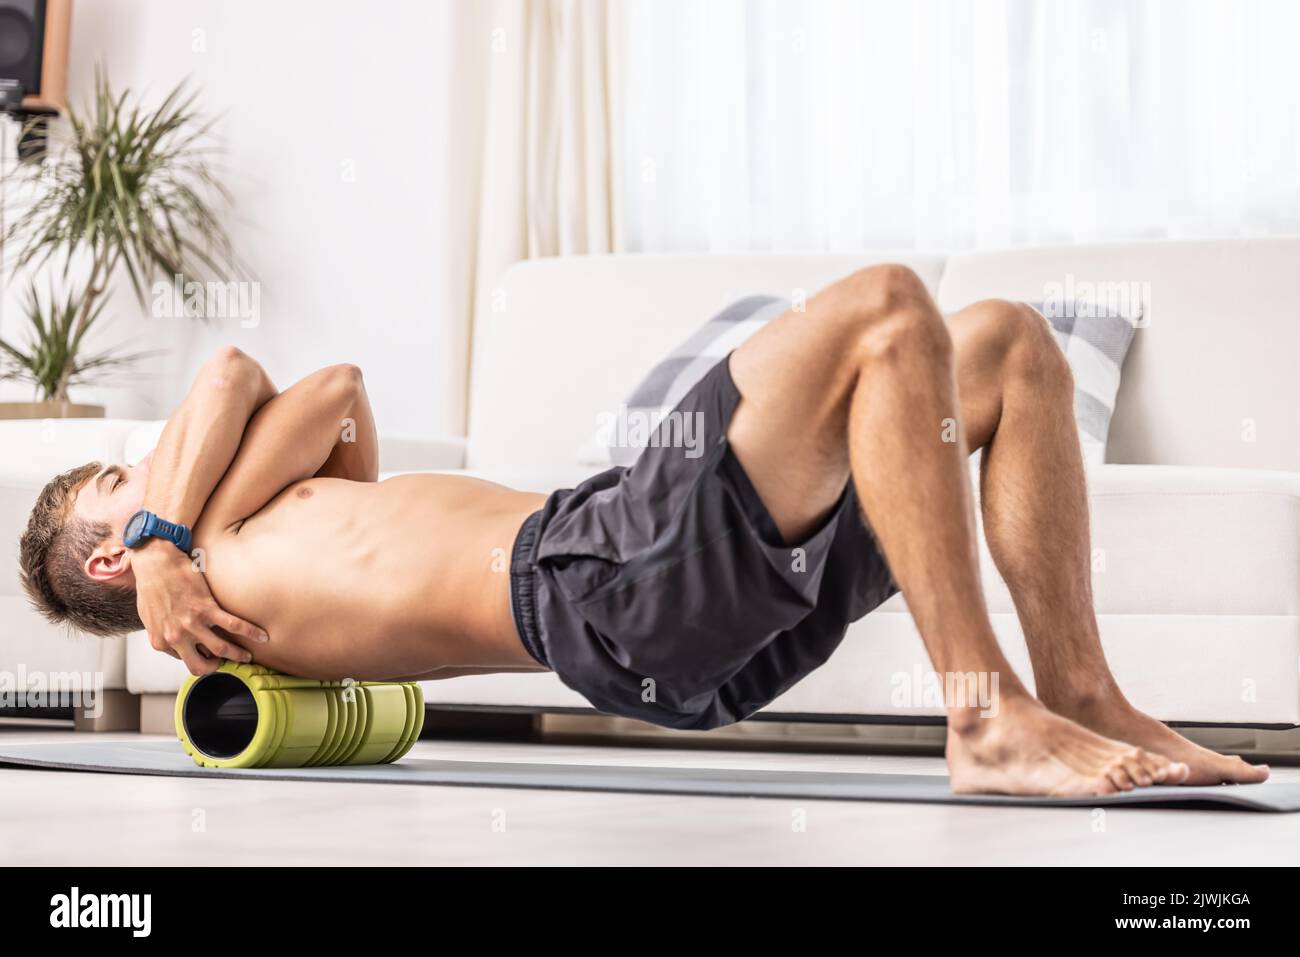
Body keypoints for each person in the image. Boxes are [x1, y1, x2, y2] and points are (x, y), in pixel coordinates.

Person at [19, 265, 1269, 796]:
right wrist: (174, 529)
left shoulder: (234, 527)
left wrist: (171, 518)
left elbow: (334, 388)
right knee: (889, 308)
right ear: (115, 556)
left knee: (1001, 343)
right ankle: (981, 714)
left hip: (653, 595)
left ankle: (1080, 690)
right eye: (122, 478)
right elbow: (230, 367)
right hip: (602, 585)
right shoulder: (214, 582)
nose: (158, 458)